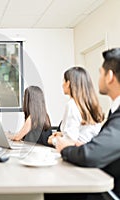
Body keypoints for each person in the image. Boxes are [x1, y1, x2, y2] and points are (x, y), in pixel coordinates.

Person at [51, 48, 120, 199]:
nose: (98, 78)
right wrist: (83, 147)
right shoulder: (113, 111)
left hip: (106, 190)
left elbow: (90, 156)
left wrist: (65, 148)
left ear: (109, 76)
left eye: (100, 72)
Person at [48, 67, 104, 146]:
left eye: (64, 80)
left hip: (78, 154)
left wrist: (53, 140)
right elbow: (83, 133)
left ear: (68, 83)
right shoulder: (91, 105)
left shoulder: (72, 104)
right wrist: (62, 134)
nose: (62, 84)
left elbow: (70, 141)